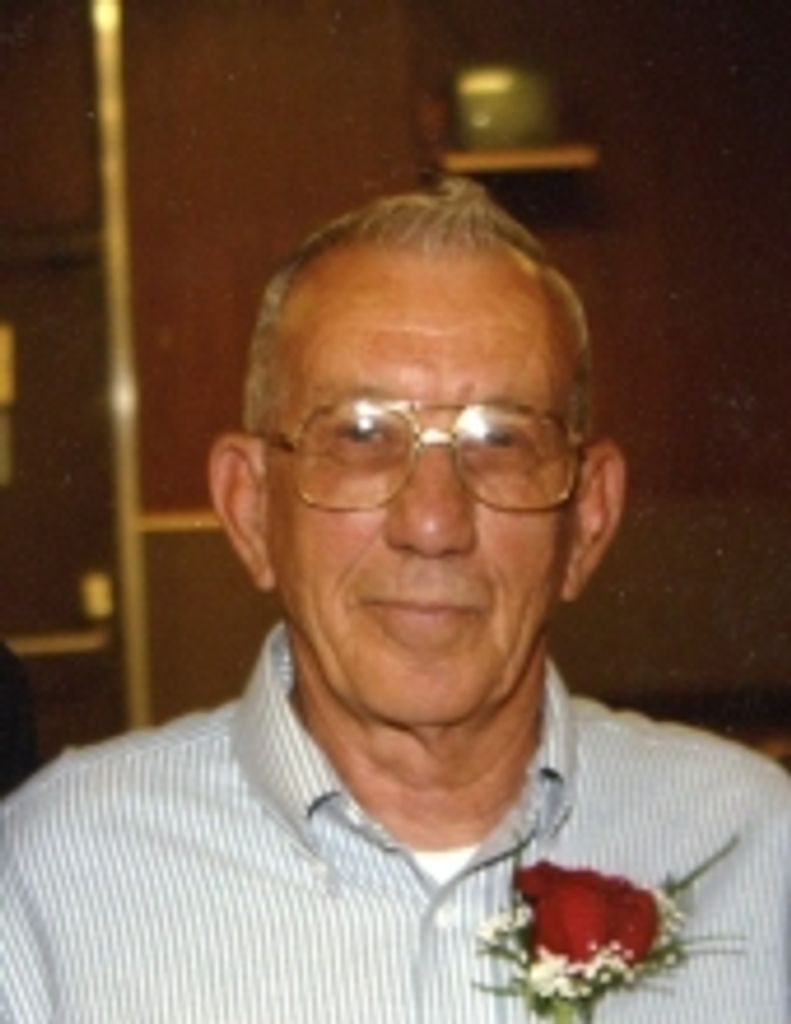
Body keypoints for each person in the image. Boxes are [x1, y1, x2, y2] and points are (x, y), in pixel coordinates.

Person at [2, 179, 789, 1023]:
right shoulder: (47, 885)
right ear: (250, 509)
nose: (433, 522)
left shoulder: (757, 854)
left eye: (501, 439)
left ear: (587, 520)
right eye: (360, 435)